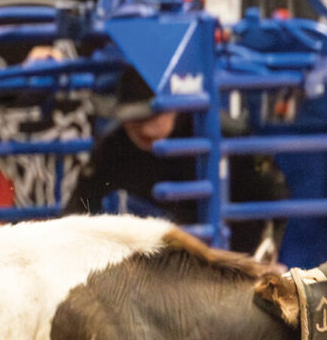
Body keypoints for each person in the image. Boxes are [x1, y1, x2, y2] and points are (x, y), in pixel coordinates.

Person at [62, 69, 287, 255]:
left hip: (231, 262)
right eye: (132, 118)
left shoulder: (225, 135)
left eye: (152, 115)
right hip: (153, 269)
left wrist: (268, 253)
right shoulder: (114, 147)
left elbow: (275, 196)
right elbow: (79, 206)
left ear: (176, 106)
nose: (143, 128)